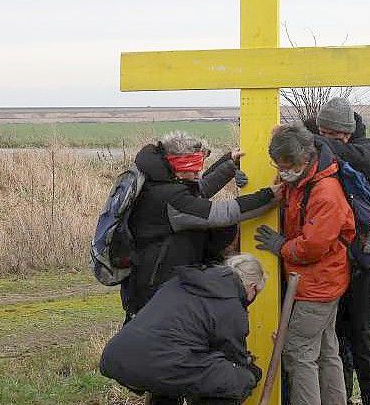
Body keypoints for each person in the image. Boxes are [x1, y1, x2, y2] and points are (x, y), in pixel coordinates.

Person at [122, 131, 279, 322]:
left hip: (150, 279)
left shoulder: (159, 180)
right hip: (156, 288)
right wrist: (268, 196)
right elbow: (222, 213)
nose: (198, 175)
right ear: (178, 166)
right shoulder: (169, 198)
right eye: (194, 170)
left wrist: (230, 163)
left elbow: (198, 189)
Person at [253, 122, 355, 405]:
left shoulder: (325, 192)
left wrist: (281, 246)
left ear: (302, 159)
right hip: (321, 281)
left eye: (284, 165)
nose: (280, 171)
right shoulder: (302, 181)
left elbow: (313, 246)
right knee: (324, 350)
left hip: (317, 285)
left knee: (298, 352)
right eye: (277, 165)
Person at [308, 98, 370, 405]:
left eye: (336, 133)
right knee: (336, 344)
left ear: (348, 132)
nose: (331, 139)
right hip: (335, 262)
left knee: (366, 343)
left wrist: (311, 141)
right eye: (323, 131)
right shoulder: (318, 150)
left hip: (369, 264)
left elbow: (344, 153)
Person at [100, 254, 267, 405]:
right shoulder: (231, 305)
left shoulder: (182, 281)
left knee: (177, 371)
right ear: (251, 287)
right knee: (240, 378)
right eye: (256, 292)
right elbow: (234, 357)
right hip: (158, 364)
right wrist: (251, 367)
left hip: (117, 358)